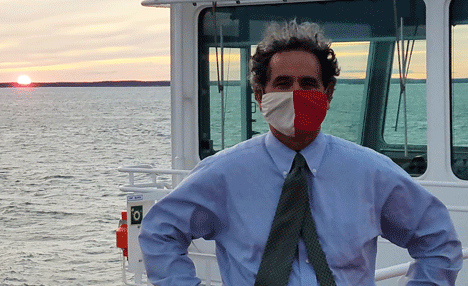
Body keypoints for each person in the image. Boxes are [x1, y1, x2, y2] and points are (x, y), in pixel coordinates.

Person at [138, 20, 463, 285]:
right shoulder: (223, 174)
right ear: (259, 94)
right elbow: (159, 232)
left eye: (308, 84)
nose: (295, 94)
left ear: (328, 93)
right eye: (282, 83)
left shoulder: (372, 173)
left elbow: (437, 239)